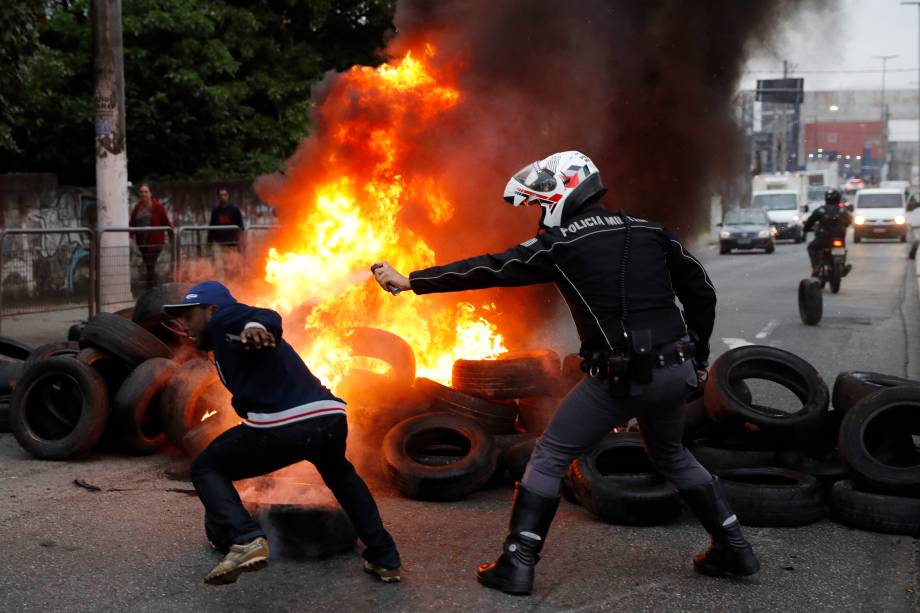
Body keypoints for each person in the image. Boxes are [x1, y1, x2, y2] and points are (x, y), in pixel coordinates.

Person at [372, 150, 760, 595]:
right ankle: (733, 546)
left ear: (561, 192)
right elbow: (702, 292)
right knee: (670, 454)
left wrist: (412, 281)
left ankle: (517, 564)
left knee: (551, 454)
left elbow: (487, 268)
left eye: (539, 203)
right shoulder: (652, 231)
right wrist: (699, 352)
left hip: (623, 378)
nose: (539, 214)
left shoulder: (561, 244)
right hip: (676, 369)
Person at [164, 281, 401, 586]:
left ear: (211, 310)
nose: (184, 324)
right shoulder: (226, 341)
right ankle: (385, 557)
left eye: (189, 315)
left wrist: (253, 325)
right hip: (329, 417)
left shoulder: (226, 319)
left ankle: (247, 538)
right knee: (340, 475)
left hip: (286, 423)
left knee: (207, 467)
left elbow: (265, 316)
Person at [129, 184, 172, 289]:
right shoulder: (137, 207)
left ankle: (152, 288)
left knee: (150, 264)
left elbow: (166, 222)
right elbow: (132, 223)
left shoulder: (158, 207)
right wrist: (130, 236)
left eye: (146, 192)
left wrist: (172, 236)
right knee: (149, 265)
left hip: (155, 242)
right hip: (142, 243)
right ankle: (152, 287)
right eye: (141, 192)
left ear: (150, 193)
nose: (143, 194)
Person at [803, 188, 852, 277]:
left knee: (811, 248)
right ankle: (842, 266)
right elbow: (849, 221)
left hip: (823, 237)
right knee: (843, 249)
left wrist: (806, 229)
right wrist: (843, 226)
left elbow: (810, 221)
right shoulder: (842, 210)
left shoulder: (821, 210)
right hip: (839, 237)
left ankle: (816, 266)